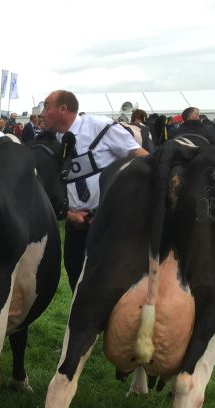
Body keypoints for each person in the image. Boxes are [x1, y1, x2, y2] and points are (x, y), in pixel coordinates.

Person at [41, 89, 148, 291]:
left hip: (109, 225)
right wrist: (68, 215)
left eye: (47, 107)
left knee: (110, 286)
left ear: (63, 109)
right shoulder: (51, 141)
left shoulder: (101, 127)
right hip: (75, 229)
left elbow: (141, 157)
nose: (42, 113)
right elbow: (52, 186)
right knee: (77, 282)